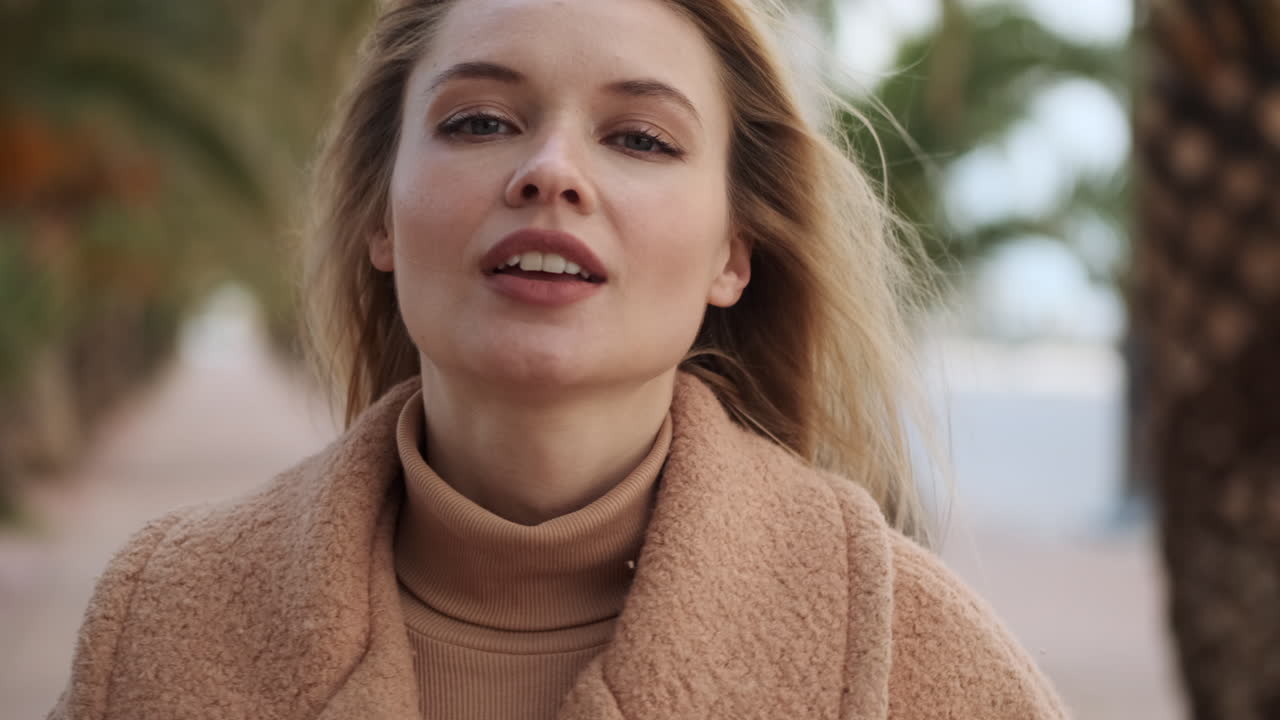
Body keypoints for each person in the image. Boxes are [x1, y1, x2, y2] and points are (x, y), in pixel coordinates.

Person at [49, 0, 1070, 718]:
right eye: (480, 121)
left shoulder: (908, 655)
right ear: (380, 219)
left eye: (640, 140)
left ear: (732, 251)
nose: (550, 173)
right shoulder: (161, 625)